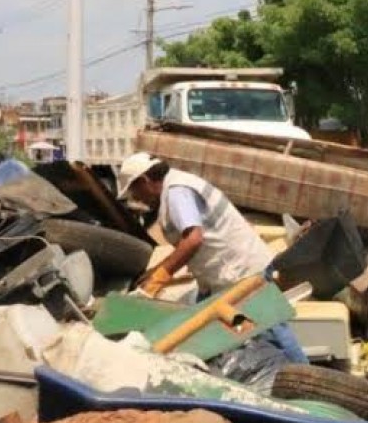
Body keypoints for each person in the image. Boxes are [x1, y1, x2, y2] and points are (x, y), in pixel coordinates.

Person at [116, 152, 306, 362]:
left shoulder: (177, 193)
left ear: (144, 181)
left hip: (242, 274)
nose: (138, 199)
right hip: (225, 277)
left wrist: (160, 277)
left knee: (268, 329)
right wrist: (155, 271)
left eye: (135, 192)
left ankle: (307, 381)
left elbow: (194, 239)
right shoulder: (178, 185)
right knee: (212, 327)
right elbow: (189, 242)